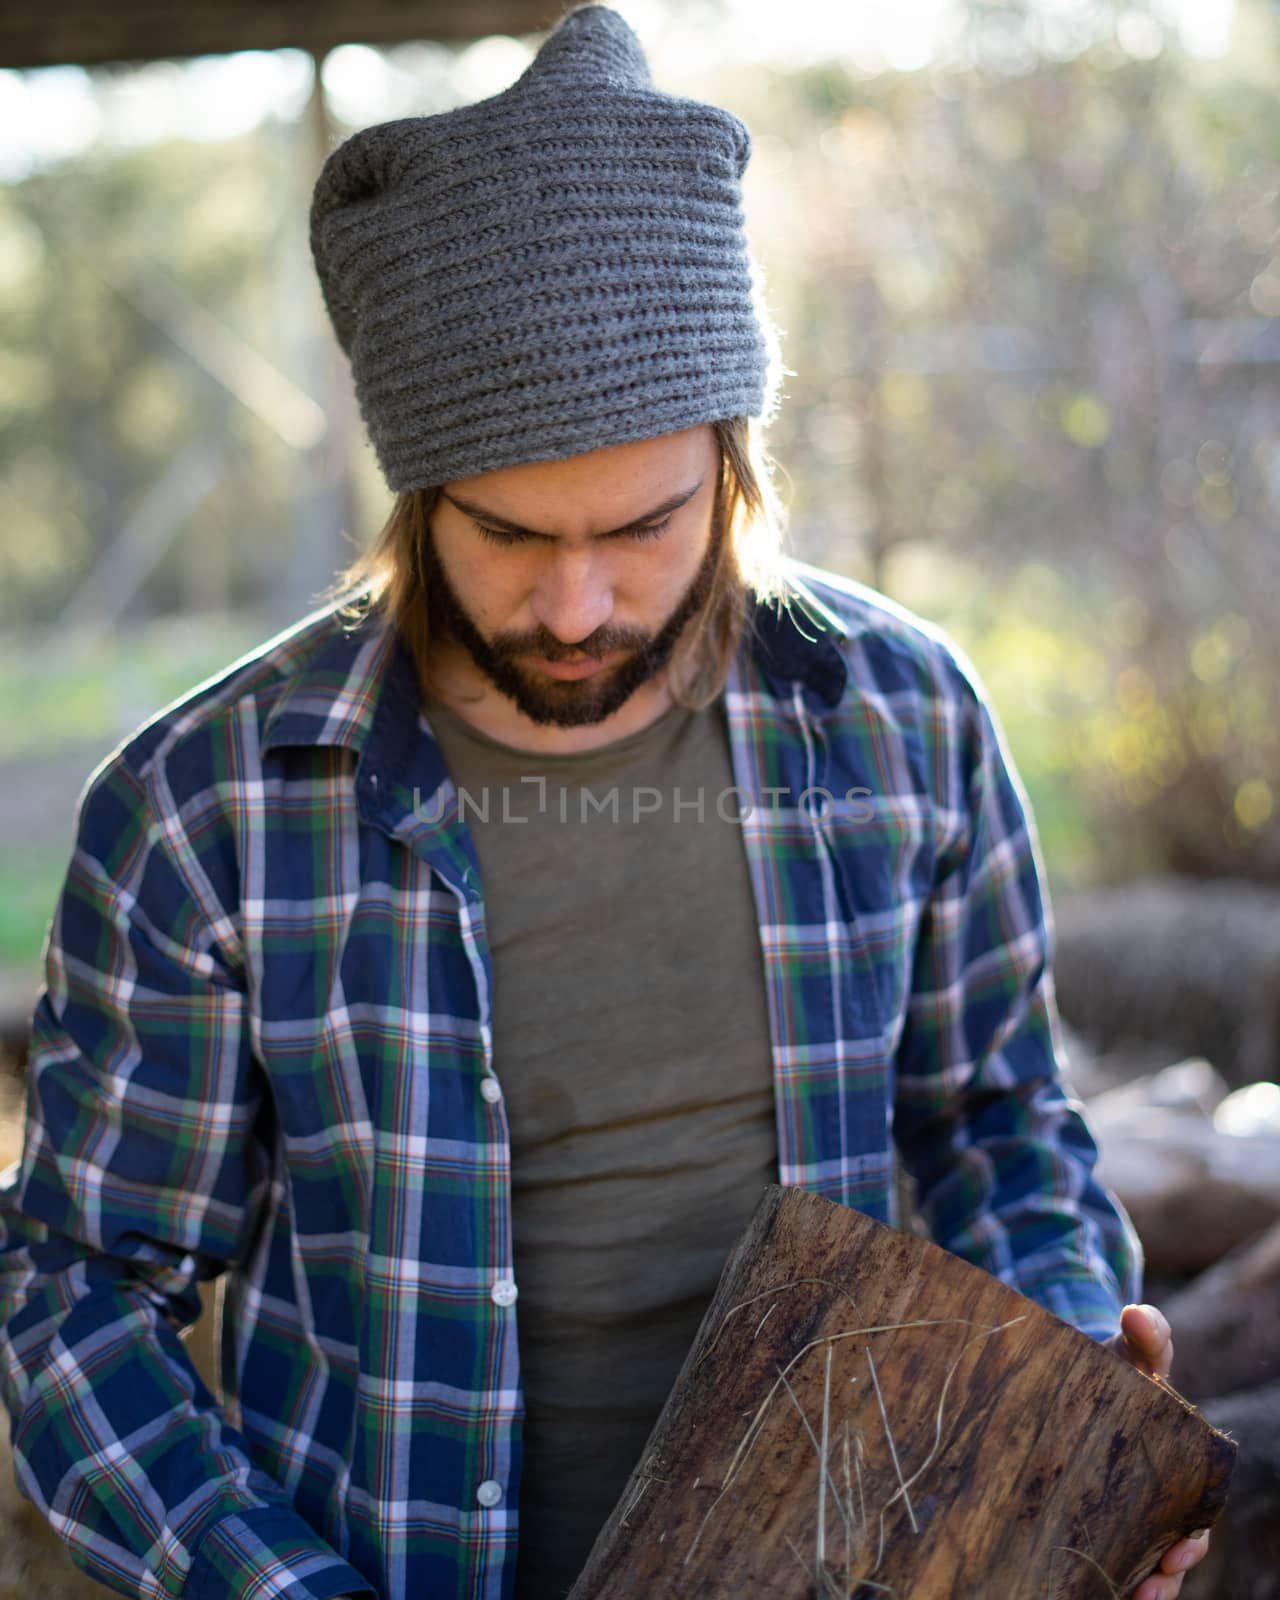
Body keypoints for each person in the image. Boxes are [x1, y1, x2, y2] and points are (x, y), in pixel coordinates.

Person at [0, 7, 1210, 1599]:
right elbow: (83, 1291)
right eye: (509, 535)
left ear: (732, 460)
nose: (576, 605)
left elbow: (993, 1118)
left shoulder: (906, 721)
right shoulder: (206, 810)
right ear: (419, 496)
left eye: (641, 525)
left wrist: (1053, 1409)